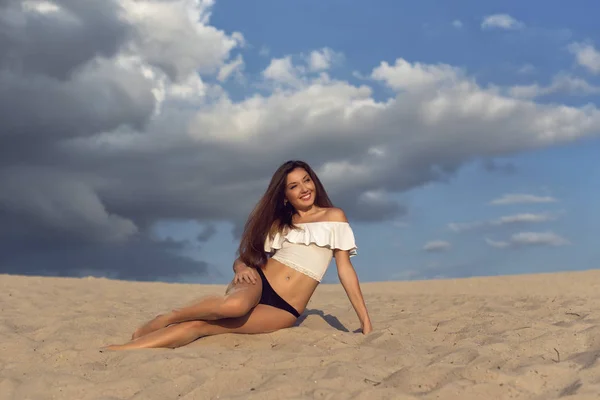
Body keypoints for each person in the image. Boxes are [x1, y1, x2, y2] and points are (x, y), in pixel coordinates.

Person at [105, 160, 372, 350]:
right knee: (234, 306)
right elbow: (247, 256)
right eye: (293, 186)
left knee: (202, 327)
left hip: (285, 308)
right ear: (285, 196)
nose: (303, 188)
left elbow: (345, 269)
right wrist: (241, 268)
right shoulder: (280, 223)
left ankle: (124, 350)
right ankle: (169, 317)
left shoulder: (334, 217)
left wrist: (365, 322)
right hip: (258, 282)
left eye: (306, 180)